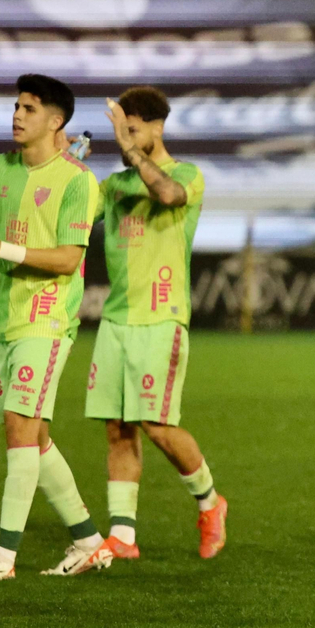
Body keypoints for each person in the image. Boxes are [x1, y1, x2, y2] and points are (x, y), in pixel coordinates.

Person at [0, 74, 111, 580]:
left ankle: (4, 555)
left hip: (47, 320)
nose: (17, 115)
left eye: (29, 107)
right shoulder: (2, 168)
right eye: (16, 105)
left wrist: (1, 249)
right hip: (8, 318)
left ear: (56, 120)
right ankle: (89, 541)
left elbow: (69, 259)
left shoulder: (77, 181)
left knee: (20, 430)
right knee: (34, 437)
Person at [84, 86, 226, 560]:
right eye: (122, 130)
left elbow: (167, 194)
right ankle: (123, 536)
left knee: (156, 424)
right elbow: (75, 218)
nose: (126, 139)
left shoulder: (186, 175)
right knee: (117, 429)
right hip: (117, 319)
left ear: (158, 128)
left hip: (162, 318)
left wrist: (128, 152)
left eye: (134, 129)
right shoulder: (114, 186)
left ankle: (210, 503)